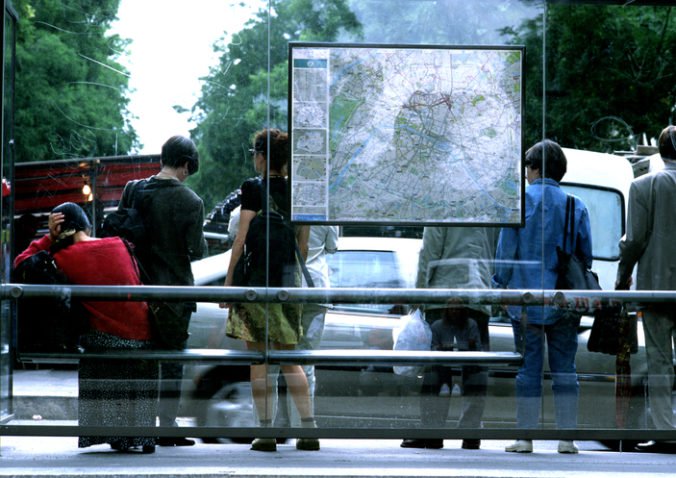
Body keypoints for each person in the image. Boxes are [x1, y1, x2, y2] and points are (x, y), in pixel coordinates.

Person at [14, 202, 157, 453]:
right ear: (86, 226)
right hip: (144, 337)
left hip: (106, 342)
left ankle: (115, 435)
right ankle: (141, 436)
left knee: (94, 341)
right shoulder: (119, 244)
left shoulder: (63, 257)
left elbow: (21, 263)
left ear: (60, 229)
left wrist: (49, 237)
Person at [220, 128, 318, 452]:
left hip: (255, 287)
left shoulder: (253, 188)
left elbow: (240, 239)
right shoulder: (299, 191)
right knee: (290, 360)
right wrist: (291, 280)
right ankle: (308, 430)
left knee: (260, 360)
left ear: (262, 157)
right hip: (287, 284)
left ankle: (265, 432)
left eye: (254, 154)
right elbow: (302, 246)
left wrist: (229, 282)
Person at [493, 139, 592, 454]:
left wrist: (499, 286)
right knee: (566, 369)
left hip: (526, 300)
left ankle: (525, 437)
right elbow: (585, 256)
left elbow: (505, 255)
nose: (525, 173)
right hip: (564, 301)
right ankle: (567, 438)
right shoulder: (577, 206)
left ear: (534, 168)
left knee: (528, 369)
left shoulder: (519, 202)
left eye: (527, 166)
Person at [117, 134, 207, 446]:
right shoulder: (191, 202)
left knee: (140, 360)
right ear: (185, 164)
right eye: (188, 169)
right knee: (171, 362)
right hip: (174, 295)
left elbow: (119, 236)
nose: (187, 175)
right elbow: (196, 250)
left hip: (136, 288)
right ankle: (167, 427)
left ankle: (136, 426)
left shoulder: (133, 190)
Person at [401, 226, 496, 451]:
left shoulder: (443, 203)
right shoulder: (488, 206)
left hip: (443, 295)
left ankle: (433, 432)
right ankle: (471, 432)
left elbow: (430, 253)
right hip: (478, 293)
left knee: (437, 368)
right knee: (475, 369)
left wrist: (419, 293)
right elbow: (492, 250)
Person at [616, 125, 676, 453]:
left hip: (657, 287)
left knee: (659, 360)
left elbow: (634, 240)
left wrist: (623, 277)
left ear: (661, 153)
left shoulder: (644, 186)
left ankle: (666, 430)